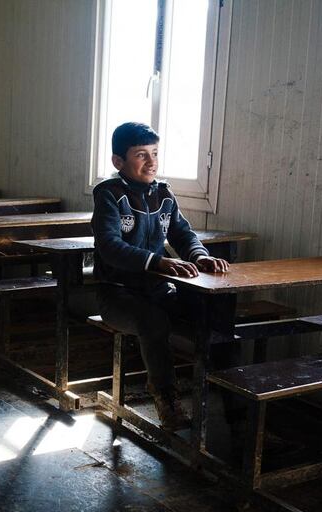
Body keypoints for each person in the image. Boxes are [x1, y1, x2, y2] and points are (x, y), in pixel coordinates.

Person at [91, 122, 229, 431]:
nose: (152, 162)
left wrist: (200, 256)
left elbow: (183, 233)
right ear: (119, 162)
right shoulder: (109, 195)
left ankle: (230, 394)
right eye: (141, 155)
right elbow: (110, 247)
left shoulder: (164, 193)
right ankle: (166, 398)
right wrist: (158, 263)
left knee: (212, 312)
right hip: (116, 295)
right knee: (153, 322)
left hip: (157, 290)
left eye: (154, 153)